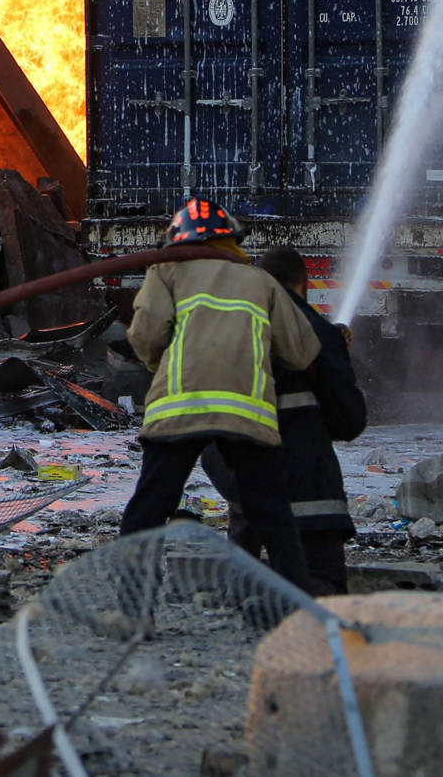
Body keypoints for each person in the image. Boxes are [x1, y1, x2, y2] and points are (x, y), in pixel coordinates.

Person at [120, 198, 319, 592]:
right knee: (271, 511)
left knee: (149, 509)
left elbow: (146, 335)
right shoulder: (261, 281)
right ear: (232, 239)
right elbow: (301, 352)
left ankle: (131, 608)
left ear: (178, 239)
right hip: (246, 412)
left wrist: (160, 364)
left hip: (180, 405)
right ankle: (297, 604)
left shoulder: (166, 271)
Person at [203, 246, 367, 593]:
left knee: (246, 596)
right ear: (303, 285)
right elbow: (349, 421)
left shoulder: (228, 334)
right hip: (311, 503)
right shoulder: (318, 333)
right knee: (320, 594)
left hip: (248, 496)